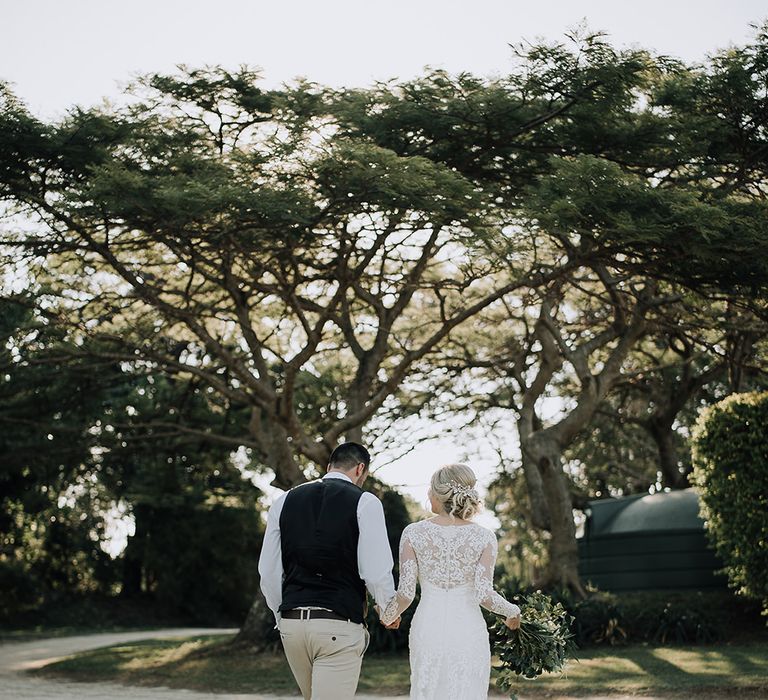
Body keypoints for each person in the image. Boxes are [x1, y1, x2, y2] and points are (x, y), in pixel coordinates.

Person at [258, 441, 400, 700]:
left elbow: (268, 572)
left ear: (328, 466)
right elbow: (375, 570)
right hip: (338, 624)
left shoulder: (283, 501)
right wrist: (387, 608)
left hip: (292, 625)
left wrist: (283, 615)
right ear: (360, 469)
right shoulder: (365, 502)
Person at [379, 463, 521, 700]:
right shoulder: (484, 537)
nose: (427, 495)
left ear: (439, 494)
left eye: (430, 490)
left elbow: (405, 593)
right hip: (467, 629)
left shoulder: (413, 533)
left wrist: (387, 615)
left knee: (428, 690)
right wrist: (512, 611)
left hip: (428, 626)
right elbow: (484, 594)